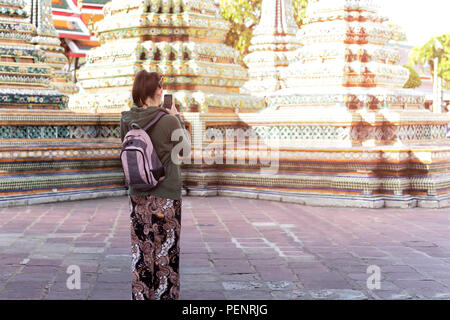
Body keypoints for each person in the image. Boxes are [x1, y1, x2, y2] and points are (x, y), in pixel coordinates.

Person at [120, 70, 191, 300]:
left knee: (141, 251)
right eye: (160, 87)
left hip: (137, 193)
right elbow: (186, 152)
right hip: (166, 195)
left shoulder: (126, 119)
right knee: (165, 253)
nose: (162, 91)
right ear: (157, 91)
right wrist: (177, 118)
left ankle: (141, 296)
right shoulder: (169, 120)